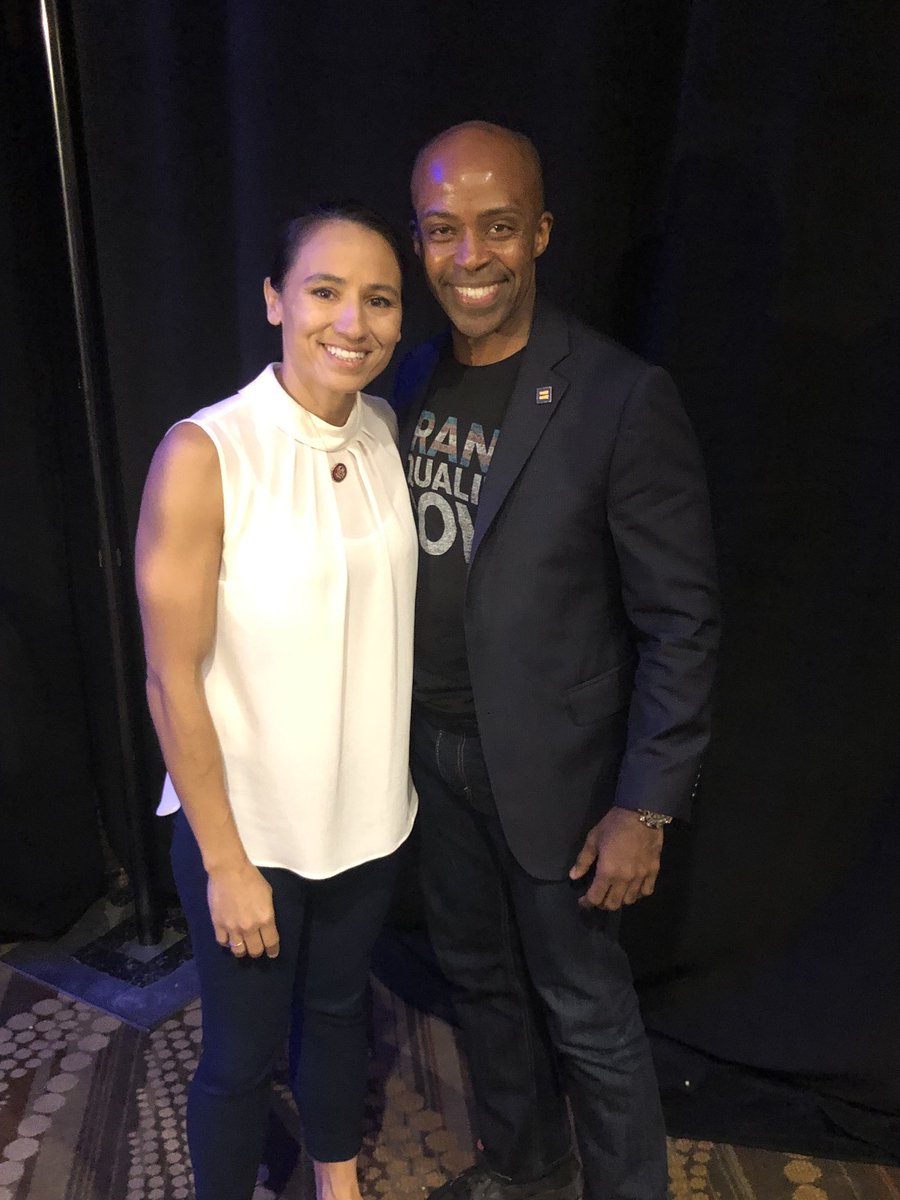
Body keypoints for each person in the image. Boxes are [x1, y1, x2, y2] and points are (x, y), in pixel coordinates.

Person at [395, 122, 719, 1200]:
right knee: (480, 983)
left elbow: (682, 621)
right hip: (430, 757)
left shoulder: (619, 396)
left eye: (497, 227)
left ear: (539, 233)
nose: (471, 257)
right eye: (444, 230)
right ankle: (524, 1170)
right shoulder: (408, 380)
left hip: (557, 776)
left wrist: (647, 805)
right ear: (419, 241)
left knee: (586, 1011)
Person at [135, 203, 417, 1200]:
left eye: (379, 299)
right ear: (274, 300)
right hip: (248, 836)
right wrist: (225, 863)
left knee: (339, 1015)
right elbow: (170, 679)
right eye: (325, 291)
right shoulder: (207, 452)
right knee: (241, 1060)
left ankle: (338, 1185)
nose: (353, 322)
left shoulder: (383, 430)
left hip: (367, 822)